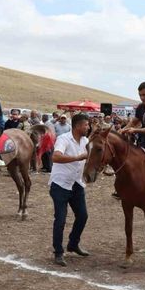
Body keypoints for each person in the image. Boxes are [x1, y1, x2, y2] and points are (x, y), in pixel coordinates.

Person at [49, 113, 90, 267]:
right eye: (86, 125)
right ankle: (58, 252)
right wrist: (78, 158)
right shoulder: (63, 139)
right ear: (78, 126)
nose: (88, 127)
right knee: (60, 220)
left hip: (76, 184)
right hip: (60, 184)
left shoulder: (86, 141)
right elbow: (56, 157)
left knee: (83, 216)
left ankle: (73, 244)